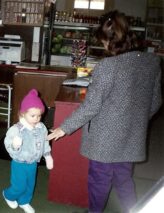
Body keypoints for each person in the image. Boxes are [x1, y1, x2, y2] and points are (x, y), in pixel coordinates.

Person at [47, 10, 162, 213]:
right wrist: (135, 120)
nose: (103, 46)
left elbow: (91, 106)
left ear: (110, 40)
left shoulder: (108, 66)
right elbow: (156, 101)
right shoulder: (151, 62)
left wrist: (63, 128)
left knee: (99, 181)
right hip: (132, 136)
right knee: (124, 179)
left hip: (105, 139)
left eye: (103, 41)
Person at [2, 89, 54, 213]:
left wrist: (47, 156)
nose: (37, 119)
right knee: (19, 186)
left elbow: (44, 142)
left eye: (39, 115)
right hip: (19, 163)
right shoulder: (16, 130)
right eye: (33, 116)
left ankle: (24, 202)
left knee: (30, 186)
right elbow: (8, 144)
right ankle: (8, 195)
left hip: (33, 163)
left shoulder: (41, 128)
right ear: (23, 114)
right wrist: (15, 145)